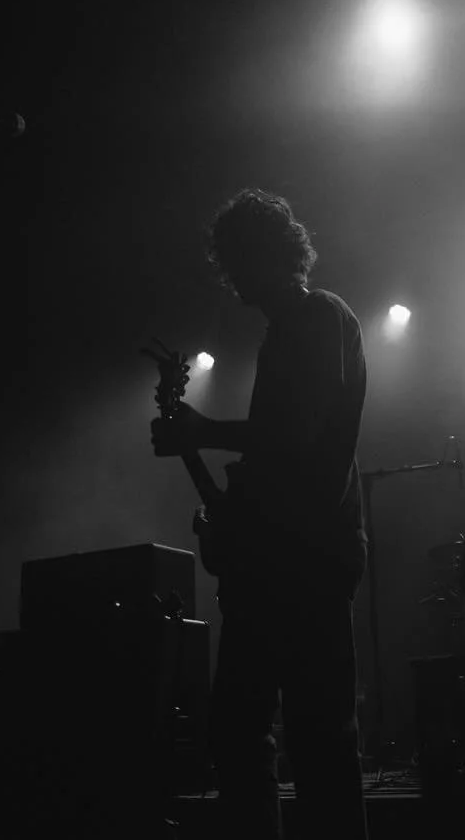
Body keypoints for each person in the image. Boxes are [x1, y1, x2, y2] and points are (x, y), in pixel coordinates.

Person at [151, 189, 369, 840]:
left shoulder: (318, 316)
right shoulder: (284, 334)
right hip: (277, 560)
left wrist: (204, 431)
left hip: (309, 557)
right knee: (245, 731)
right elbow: (280, 454)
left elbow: (297, 435)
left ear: (270, 254)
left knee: (314, 736)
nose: (233, 275)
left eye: (239, 258)